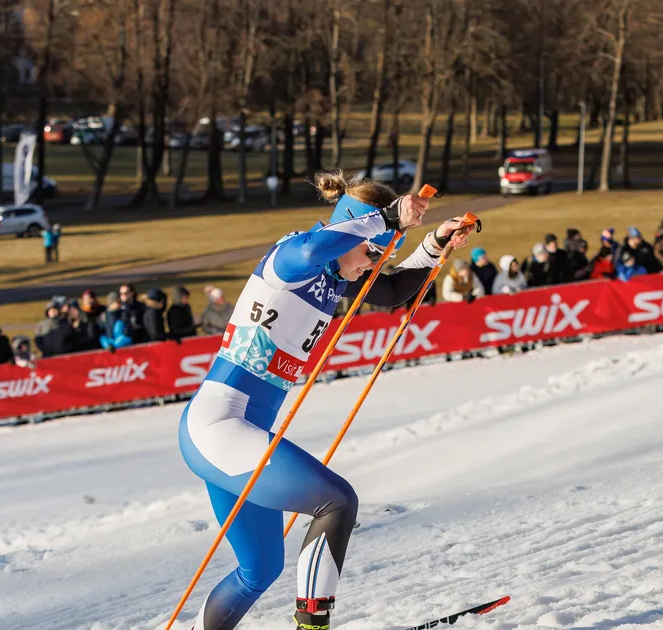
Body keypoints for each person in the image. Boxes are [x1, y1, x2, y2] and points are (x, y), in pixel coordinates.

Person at [177, 170, 473, 630]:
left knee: (259, 571)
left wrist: (434, 242)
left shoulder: (337, 276)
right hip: (219, 424)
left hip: (238, 432)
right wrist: (390, 217)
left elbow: (393, 290)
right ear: (352, 228)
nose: (373, 261)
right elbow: (318, 248)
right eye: (372, 250)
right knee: (336, 502)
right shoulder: (293, 257)